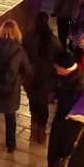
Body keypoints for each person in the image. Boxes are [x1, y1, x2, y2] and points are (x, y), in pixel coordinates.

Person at [0, 20, 32, 153]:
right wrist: (19, 80)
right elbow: (27, 69)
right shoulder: (19, 50)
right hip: (11, 89)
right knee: (10, 118)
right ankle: (11, 145)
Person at [47, 52, 84, 167]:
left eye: (57, 66)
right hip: (63, 120)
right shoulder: (69, 77)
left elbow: (82, 108)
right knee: (58, 148)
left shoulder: (80, 83)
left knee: (64, 150)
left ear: (64, 68)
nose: (54, 67)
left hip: (70, 125)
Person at [23, 13, 62, 144]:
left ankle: (34, 127)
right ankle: (41, 132)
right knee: (44, 106)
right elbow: (59, 58)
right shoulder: (54, 41)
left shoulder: (28, 39)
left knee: (33, 104)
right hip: (48, 80)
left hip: (32, 78)